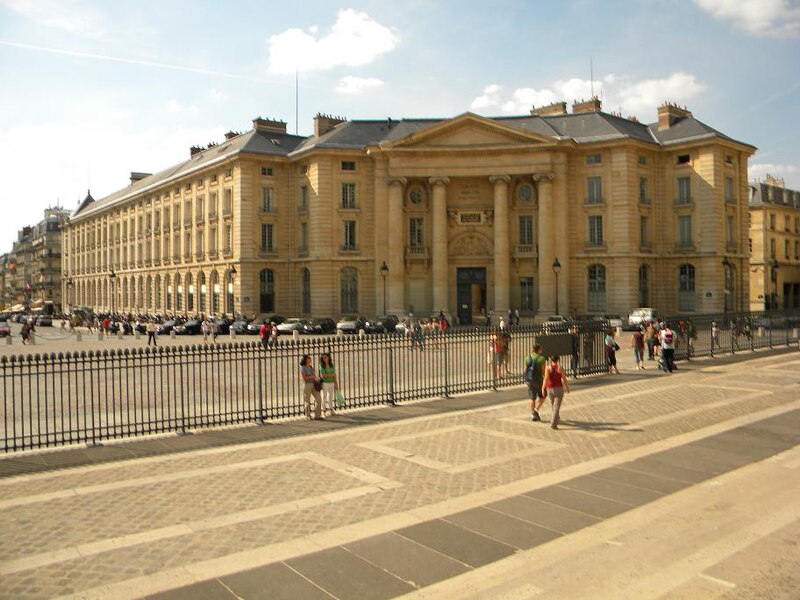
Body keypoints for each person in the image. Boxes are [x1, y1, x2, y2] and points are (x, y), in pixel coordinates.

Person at [542, 355, 569, 430]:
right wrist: (567, 387)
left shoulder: (548, 368)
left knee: (552, 404)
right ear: (558, 360)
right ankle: (553, 423)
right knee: (556, 406)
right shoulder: (560, 368)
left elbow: (546, 378)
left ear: (551, 360)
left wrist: (543, 387)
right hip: (558, 389)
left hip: (549, 388)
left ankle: (556, 417)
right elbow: (564, 379)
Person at [524, 344, 547, 421]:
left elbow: (527, 368)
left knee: (532, 398)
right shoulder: (541, 358)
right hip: (539, 380)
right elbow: (543, 371)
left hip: (529, 380)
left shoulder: (527, 358)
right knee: (543, 396)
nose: (542, 350)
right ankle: (536, 410)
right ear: (538, 350)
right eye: (541, 349)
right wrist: (545, 380)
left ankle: (533, 414)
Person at [299, 354, 323, 420]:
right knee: (307, 400)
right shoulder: (303, 368)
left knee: (319, 399)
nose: (310, 359)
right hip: (307, 385)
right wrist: (311, 377)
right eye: (308, 358)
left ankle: (317, 415)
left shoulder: (311, 367)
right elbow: (304, 378)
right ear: (305, 359)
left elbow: (314, 375)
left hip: (313, 384)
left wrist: (317, 379)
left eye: (310, 358)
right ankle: (308, 415)